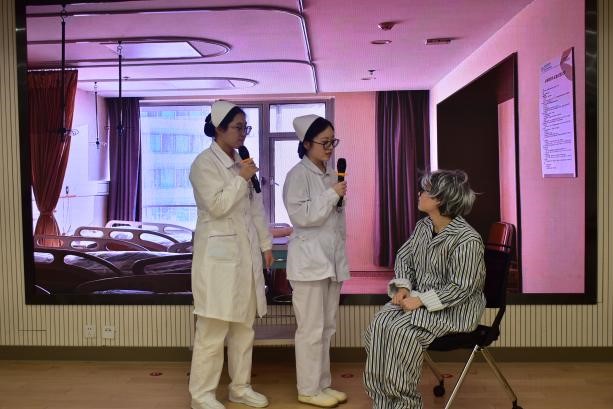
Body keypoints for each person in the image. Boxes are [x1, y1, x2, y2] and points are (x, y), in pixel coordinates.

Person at [363, 169, 486, 409]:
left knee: (401, 332)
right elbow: (404, 257)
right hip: (419, 301)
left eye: (426, 190)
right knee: (379, 324)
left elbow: (461, 287)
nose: (419, 193)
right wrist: (403, 287)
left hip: (454, 311)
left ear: (440, 199)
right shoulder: (423, 227)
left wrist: (421, 301)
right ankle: (383, 401)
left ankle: (405, 404)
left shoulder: (467, 240)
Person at [189, 100, 273, 409]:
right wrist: (241, 178)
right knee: (212, 331)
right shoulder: (203, 164)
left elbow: (255, 209)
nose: (243, 133)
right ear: (219, 128)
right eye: (238, 127)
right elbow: (217, 206)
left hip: (245, 258)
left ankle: (240, 388)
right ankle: (202, 396)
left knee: (243, 329)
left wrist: (265, 245)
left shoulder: (241, 163)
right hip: (217, 262)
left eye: (245, 127)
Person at [282, 114, 351, 408]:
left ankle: (322, 384)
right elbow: (303, 218)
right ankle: (308, 389)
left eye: (333, 141)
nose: (330, 148)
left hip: (330, 261)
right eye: (324, 142)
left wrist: (334, 195)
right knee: (310, 329)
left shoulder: (330, 174)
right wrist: (331, 195)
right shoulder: (297, 176)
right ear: (307, 143)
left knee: (326, 328)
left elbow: (335, 221)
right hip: (309, 264)